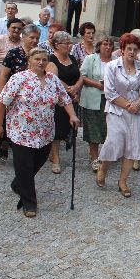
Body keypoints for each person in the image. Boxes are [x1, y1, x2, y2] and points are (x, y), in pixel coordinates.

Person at [0, 47, 79, 218]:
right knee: (25, 166)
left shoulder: (53, 80)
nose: (41, 62)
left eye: (44, 59)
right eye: (37, 59)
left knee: (38, 161)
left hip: (45, 132)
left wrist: (73, 116)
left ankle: (18, 183)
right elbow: (2, 102)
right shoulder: (19, 79)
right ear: (29, 61)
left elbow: (64, 99)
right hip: (21, 132)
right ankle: (29, 203)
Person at [96, 33, 140, 197]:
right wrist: (128, 105)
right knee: (115, 141)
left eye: (135, 49)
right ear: (122, 49)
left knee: (132, 146)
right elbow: (109, 93)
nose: (132, 52)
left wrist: (138, 103)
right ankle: (103, 168)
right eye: (129, 48)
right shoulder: (112, 66)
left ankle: (123, 181)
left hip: (136, 111)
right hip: (117, 110)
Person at [45, 31, 83, 174]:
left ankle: (52, 153)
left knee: (68, 127)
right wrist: (70, 90)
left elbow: (80, 76)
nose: (69, 46)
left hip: (72, 98)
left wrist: (76, 88)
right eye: (66, 43)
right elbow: (54, 78)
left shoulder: (72, 58)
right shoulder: (51, 60)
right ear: (57, 45)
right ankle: (55, 158)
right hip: (57, 99)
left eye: (70, 43)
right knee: (57, 129)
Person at [0, 18, 24, 161]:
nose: (16, 31)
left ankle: (11, 143)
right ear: (8, 28)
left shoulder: (24, 43)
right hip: (0, 80)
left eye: (19, 29)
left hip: (18, 86)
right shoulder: (0, 39)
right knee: (0, 112)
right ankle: (0, 141)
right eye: (13, 28)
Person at [80, 36, 114, 171]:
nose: (108, 47)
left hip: (110, 99)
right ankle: (94, 157)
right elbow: (82, 76)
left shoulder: (116, 61)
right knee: (93, 128)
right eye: (105, 44)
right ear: (99, 46)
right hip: (93, 97)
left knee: (107, 128)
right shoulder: (91, 58)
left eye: (110, 44)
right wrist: (98, 85)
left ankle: (105, 155)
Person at [0, 25, 41, 92]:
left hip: (35, 93)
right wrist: (0, 96)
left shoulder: (41, 54)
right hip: (15, 92)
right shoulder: (13, 53)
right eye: (32, 38)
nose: (35, 41)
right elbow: (3, 76)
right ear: (23, 37)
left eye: (37, 38)